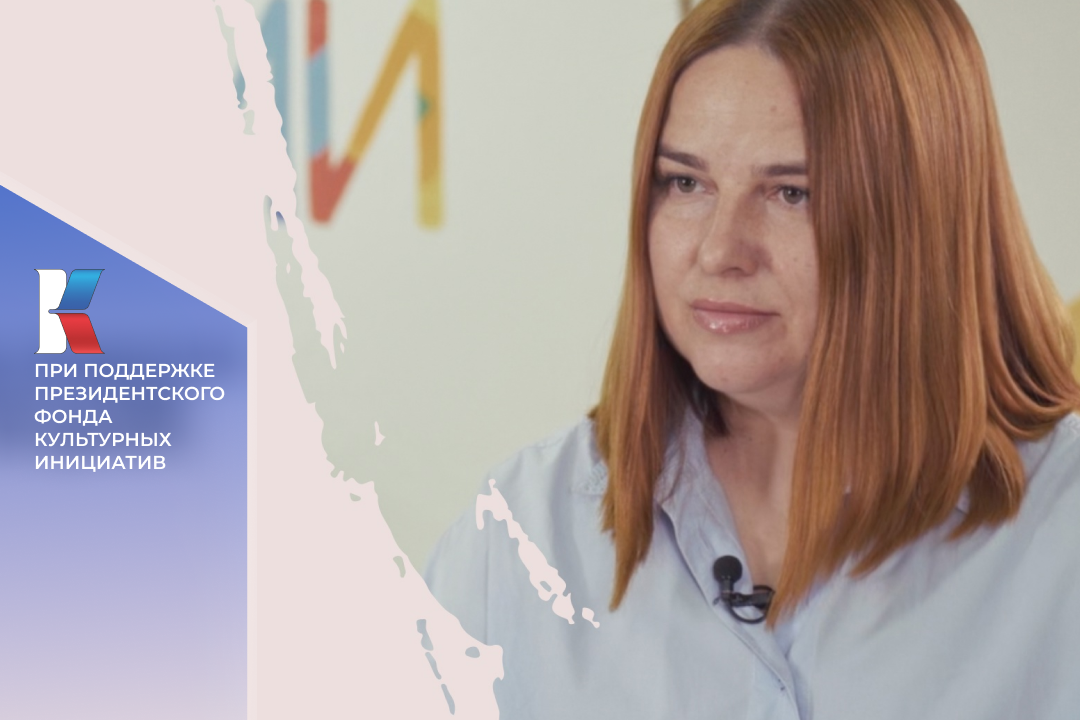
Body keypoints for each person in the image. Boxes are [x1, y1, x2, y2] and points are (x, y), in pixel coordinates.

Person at [425, 0, 1080, 717]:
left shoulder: (1060, 535)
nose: (719, 251)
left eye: (791, 193)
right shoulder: (518, 538)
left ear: (920, 216)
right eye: (686, 183)